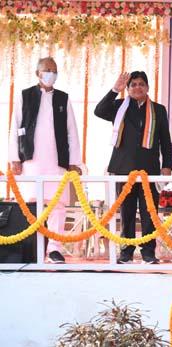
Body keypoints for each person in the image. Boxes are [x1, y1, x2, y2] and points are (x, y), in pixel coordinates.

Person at [8, 57, 82, 264]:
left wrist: (75, 161)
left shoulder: (63, 98)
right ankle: (32, 248)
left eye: (54, 70)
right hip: (31, 161)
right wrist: (15, 158)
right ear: (37, 73)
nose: (51, 73)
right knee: (32, 204)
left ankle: (55, 248)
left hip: (57, 161)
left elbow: (72, 131)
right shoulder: (25, 96)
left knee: (58, 205)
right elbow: (15, 126)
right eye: (46, 70)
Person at [94, 71, 172, 264]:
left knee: (149, 211)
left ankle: (148, 252)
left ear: (147, 87)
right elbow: (99, 111)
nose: (137, 87)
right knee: (127, 211)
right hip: (123, 168)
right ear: (128, 89)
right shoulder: (119, 106)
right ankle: (126, 251)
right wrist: (115, 90)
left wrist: (167, 166)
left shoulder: (158, 110)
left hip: (149, 168)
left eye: (141, 84)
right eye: (133, 85)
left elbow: (165, 140)